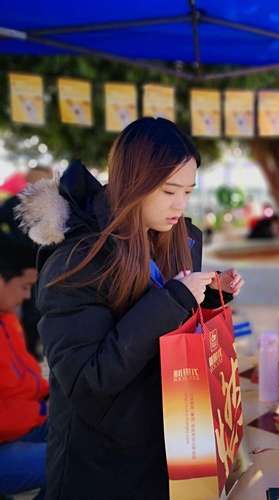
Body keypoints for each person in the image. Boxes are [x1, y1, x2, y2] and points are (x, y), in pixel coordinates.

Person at [16, 118, 245, 499]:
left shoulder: (170, 237)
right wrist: (173, 299)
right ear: (133, 183)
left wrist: (205, 294)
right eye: (169, 190)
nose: (180, 204)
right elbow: (88, 380)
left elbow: (162, 327)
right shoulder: (77, 260)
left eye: (188, 191)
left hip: (164, 448)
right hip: (99, 471)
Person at [0, 235, 49, 499]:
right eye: (24, 287)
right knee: (71, 459)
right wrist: (44, 410)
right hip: (8, 436)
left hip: (20, 426)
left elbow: (27, 379)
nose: (28, 296)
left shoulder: (6, 320)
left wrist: (54, 396)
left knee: (84, 430)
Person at [0, 165, 53, 359]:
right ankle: (29, 350)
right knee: (28, 309)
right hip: (23, 265)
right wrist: (13, 246)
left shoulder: (53, 205)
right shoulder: (14, 203)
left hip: (46, 265)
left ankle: (36, 350)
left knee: (43, 308)